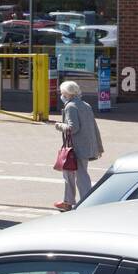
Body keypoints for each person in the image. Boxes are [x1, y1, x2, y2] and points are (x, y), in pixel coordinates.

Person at [54, 80, 104, 211]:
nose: (61, 94)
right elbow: (94, 126)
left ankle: (80, 202)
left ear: (67, 93)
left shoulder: (70, 106)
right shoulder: (85, 105)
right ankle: (74, 201)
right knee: (76, 174)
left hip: (76, 148)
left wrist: (59, 126)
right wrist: (99, 146)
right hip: (86, 146)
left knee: (74, 175)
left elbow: (73, 128)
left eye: (62, 92)